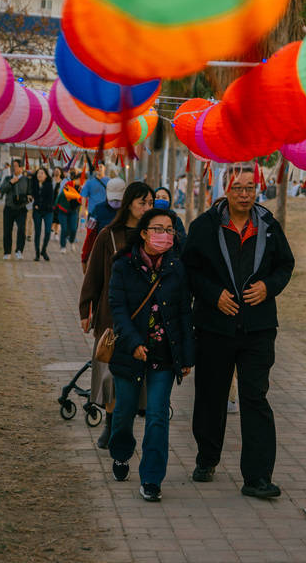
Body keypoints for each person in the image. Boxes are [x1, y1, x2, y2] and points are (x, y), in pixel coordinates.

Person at [182, 163, 295, 499]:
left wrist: (269, 287)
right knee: (211, 395)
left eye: (250, 188)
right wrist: (212, 295)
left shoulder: (269, 226)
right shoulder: (204, 226)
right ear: (225, 190)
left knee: (255, 398)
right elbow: (189, 270)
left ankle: (257, 477)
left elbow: (285, 265)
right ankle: (207, 458)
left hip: (258, 328)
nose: (245, 194)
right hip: (214, 327)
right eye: (238, 188)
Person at [107, 207, 195, 502]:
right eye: (158, 229)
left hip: (164, 354)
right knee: (124, 412)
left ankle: (152, 478)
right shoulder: (123, 265)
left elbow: (184, 313)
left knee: (158, 415)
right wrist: (133, 342)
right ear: (144, 233)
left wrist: (187, 356)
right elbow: (118, 309)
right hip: (130, 352)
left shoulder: (176, 268)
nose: (164, 235)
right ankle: (121, 453)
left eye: (169, 230)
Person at [79, 182, 155, 449]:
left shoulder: (154, 236)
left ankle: (124, 425)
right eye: (142, 203)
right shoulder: (108, 235)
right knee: (110, 375)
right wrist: (85, 309)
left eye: (151, 203)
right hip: (111, 318)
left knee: (137, 378)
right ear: (128, 204)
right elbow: (94, 276)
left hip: (144, 318)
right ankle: (110, 424)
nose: (147, 208)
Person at [81, 177, 127, 273]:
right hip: (102, 257)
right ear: (106, 192)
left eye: (118, 199)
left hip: (125, 258)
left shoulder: (130, 210)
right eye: (113, 199)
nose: (115, 202)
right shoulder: (97, 210)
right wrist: (85, 257)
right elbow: (90, 236)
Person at [0, 158, 32, 261]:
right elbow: (1, 190)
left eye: (16, 166)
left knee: (21, 229)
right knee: (7, 231)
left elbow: (30, 193)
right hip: (9, 208)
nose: (14, 168)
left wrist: (28, 198)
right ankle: (7, 252)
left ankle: (19, 251)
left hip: (21, 209)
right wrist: (11, 183)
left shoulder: (27, 180)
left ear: (21, 168)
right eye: (12, 166)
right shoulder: (8, 178)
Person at [55, 172, 82, 254]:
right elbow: (67, 194)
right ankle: (63, 246)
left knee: (73, 229)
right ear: (77, 179)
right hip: (63, 210)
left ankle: (71, 241)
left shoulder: (82, 188)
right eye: (81, 180)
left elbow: (83, 200)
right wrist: (78, 195)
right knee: (64, 229)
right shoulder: (68, 184)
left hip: (74, 211)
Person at [154, 186, 187, 253]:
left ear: (169, 201)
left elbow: (182, 242)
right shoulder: (147, 218)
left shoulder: (175, 219)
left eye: (164, 198)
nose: (161, 200)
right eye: (157, 197)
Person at [31, 166, 54, 261]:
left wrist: (40, 206)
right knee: (37, 232)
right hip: (37, 211)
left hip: (48, 211)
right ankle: (37, 253)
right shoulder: (33, 183)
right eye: (38, 173)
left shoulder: (49, 185)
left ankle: (43, 250)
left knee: (48, 231)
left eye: (42, 173)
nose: (39, 175)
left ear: (46, 175)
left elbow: (50, 199)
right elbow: (31, 194)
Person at [51, 167, 65, 240]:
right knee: (52, 217)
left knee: (58, 218)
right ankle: (51, 231)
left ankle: (56, 233)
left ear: (60, 173)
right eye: (55, 171)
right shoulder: (51, 180)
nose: (56, 172)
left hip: (59, 202)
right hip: (51, 201)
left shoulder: (62, 182)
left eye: (58, 171)